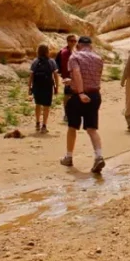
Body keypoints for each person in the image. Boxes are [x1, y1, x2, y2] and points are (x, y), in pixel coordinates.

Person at [60, 36, 106, 174]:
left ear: (78, 46)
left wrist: (80, 92)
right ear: (91, 46)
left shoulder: (75, 57)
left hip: (78, 95)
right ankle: (99, 156)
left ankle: (68, 157)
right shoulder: (98, 59)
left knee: (72, 127)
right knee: (92, 129)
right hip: (94, 95)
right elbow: (95, 77)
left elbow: (78, 73)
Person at [28, 44, 60, 133]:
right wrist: (56, 87)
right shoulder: (51, 61)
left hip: (37, 86)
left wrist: (29, 87)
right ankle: (44, 126)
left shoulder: (35, 61)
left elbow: (31, 76)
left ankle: (37, 123)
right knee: (46, 106)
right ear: (47, 51)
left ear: (38, 51)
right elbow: (56, 76)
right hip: (47, 86)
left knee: (38, 104)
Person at [56, 34, 77, 124]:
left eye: (75, 41)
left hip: (74, 77)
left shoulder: (73, 51)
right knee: (68, 96)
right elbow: (61, 65)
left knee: (73, 96)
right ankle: (66, 114)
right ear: (68, 41)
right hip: (68, 77)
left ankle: (71, 114)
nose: (73, 42)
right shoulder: (64, 52)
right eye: (71, 41)